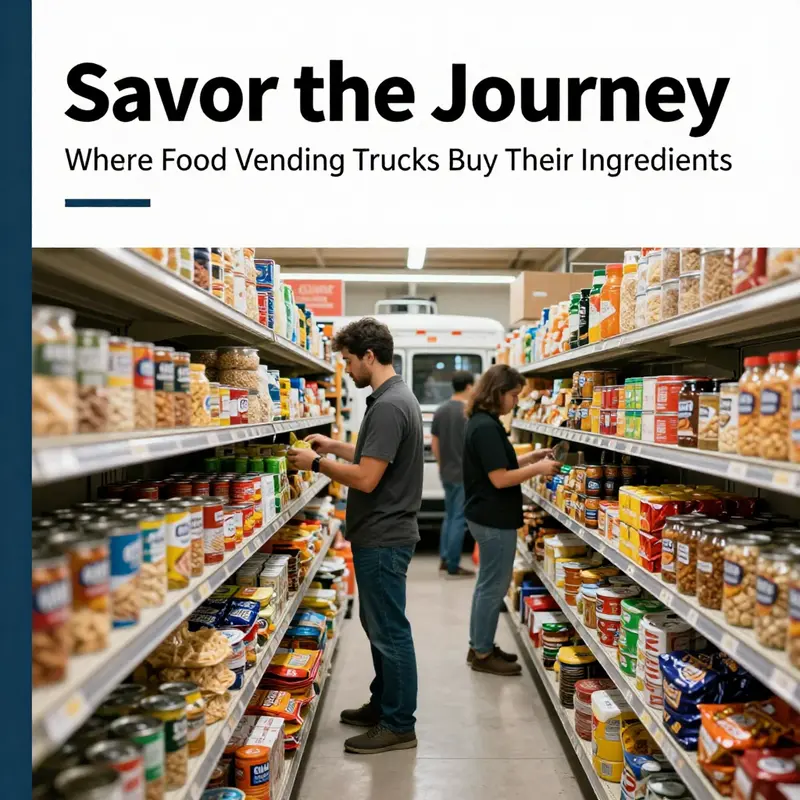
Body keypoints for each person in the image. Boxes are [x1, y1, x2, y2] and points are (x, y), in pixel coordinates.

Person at [287, 317, 422, 754]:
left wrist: (314, 463)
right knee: (378, 625)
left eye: (347, 360)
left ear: (369, 356)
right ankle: (383, 704)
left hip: (384, 537)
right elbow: (373, 457)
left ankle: (399, 724)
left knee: (389, 631)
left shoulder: (388, 405)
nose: (346, 369)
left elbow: (365, 478)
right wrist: (333, 446)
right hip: (380, 534)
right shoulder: (391, 398)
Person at [462, 364, 561, 676]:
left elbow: (498, 465)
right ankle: (481, 652)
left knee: (487, 585)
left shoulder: (484, 422)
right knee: (493, 587)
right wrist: (538, 470)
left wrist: (529, 459)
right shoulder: (486, 427)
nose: (516, 401)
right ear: (498, 393)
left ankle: (482, 644)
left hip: (487, 514)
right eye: (514, 395)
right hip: (493, 518)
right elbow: (501, 479)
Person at [431, 369, 475, 577]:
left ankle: (444, 557)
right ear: (468, 387)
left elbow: (435, 443)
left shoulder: (440, 410)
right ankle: (453, 565)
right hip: (463, 473)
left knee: (449, 516)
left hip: (446, 471)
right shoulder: (468, 412)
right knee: (458, 518)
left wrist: (441, 464)